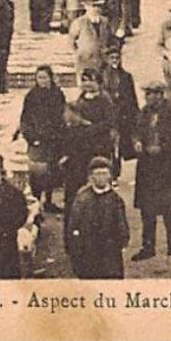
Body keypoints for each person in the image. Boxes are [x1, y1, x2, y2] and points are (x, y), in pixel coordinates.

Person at [132, 82, 171, 260]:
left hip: (166, 170)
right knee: (147, 209)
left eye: (151, 94)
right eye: (146, 93)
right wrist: (137, 141)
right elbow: (136, 131)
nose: (148, 97)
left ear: (161, 95)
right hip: (146, 168)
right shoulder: (143, 112)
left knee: (169, 209)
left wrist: (162, 148)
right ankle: (148, 247)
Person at [61, 68, 118, 224]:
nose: (87, 84)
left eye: (91, 80)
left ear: (99, 83)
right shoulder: (81, 99)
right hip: (81, 149)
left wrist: (88, 127)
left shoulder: (105, 100)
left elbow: (109, 123)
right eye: (84, 80)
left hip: (98, 148)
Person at [67, 156, 129, 279]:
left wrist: (123, 241)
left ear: (110, 176)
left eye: (104, 173)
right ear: (91, 176)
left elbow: (122, 223)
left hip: (110, 251)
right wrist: (75, 247)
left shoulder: (115, 199)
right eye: (98, 174)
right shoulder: (83, 198)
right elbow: (74, 223)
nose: (101, 177)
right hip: (88, 249)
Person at [16, 65, 66, 214]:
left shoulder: (57, 94)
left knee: (51, 171)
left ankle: (49, 201)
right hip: (37, 140)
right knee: (37, 173)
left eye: (44, 77)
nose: (42, 81)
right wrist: (31, 138)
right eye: (39, 78)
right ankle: (37, 203)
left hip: (53, 139)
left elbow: (63, 115)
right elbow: (25, 119)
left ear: (50, 78)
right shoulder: (31, 96)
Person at [100, 44, 139, 173]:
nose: (115, 61)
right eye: (112, 58)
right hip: (106, 113)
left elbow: (132, 97)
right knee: (107, 144)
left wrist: (135, 115)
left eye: (117, 58)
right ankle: (111, 170)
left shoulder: (126, 76)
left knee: (119, 143)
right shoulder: (101, 76)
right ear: (107, 59)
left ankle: (116, 172)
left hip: (122, 114)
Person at [68, 0, 109, 87]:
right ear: (86, 7)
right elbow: (71, 40)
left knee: (103, 85)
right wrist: (79, 53)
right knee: (86, 85)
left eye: (98, 6)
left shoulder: (105, 21)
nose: (96, 9)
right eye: (92, 6)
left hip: (101, 60)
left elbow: (109, 39)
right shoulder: (79, 22)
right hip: (85, 60)